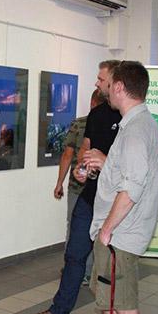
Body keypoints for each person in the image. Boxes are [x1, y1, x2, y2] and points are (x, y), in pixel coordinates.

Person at [26, 60, 122, 314]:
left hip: (116, 203)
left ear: (114, 81)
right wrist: (81, 169)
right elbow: (85, 150)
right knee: (74, 255)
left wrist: (105, 163)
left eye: (100, 78)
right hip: (90, 197)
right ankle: (59, 312)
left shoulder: (130, 120)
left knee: (109, 264)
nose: (96, 82)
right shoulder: (96, 115)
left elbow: (132, 168)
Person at [89, 61, 158, 314]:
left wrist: (107, 230)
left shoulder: (135, 130)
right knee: (111, 298)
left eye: (109, 83)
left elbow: (132, 188)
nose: (104, 88)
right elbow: (128, 174)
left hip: (121, 236)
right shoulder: (138, 124)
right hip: (119, 234)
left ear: (119, 87)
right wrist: (104, 167)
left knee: (125, 305)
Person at [54, 89, 106, 283]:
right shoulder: (113, 124)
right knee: (95, 229)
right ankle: (89, 271)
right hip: (99, 188)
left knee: (74, 226)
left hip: (77, 186)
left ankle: (72, 270)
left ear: (92, 102)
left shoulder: (79, 123)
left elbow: (67, 155)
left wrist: (59, 183)